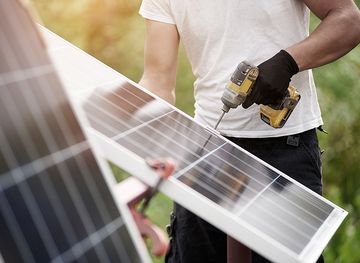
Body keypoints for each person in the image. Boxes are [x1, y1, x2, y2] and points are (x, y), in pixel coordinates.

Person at [138, 1, 360, 262]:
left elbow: (349, 20)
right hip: (207, 152)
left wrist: (288, 62)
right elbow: (157, 83)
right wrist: (134, 136)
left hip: (285, 152)